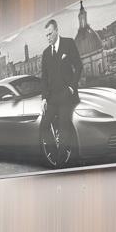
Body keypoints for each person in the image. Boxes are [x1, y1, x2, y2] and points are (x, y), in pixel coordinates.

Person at [38, 18, 82, 166]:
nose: (48, 37)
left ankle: (60, 164)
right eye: (46, 35)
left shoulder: (68, 43)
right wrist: (44, 99)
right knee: (44, 126)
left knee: (63, 128)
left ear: (57, 30)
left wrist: (72, 87)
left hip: (66, 95)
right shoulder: (45, 53)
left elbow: (79, 66)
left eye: (50, 34)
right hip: (51, 98)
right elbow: (44, 78)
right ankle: (57, 156)